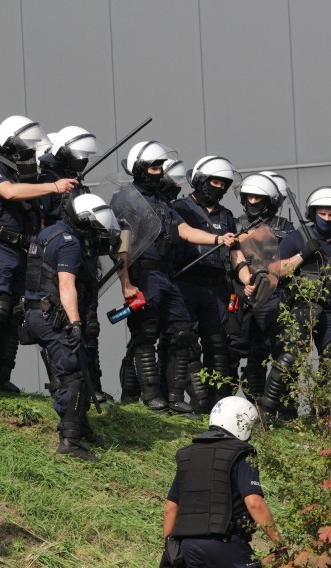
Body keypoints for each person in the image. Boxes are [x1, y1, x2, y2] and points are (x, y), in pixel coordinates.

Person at [116, 141, 237, 415]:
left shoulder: (161, 201)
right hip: (142, 272)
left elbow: (184, 230)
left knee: (182, 333)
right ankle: (149, 396)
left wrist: (217, 239)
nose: (159, 172)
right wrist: (126, 282)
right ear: (139, 168)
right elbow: (121, 243)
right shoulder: (127, 199)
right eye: (153, 167)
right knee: (145, 333)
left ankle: (174, 398)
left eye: (161, 167)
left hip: (166, 274)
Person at [0, 115, 76, 394]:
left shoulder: (24, 175)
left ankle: (0, 379)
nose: (31, 154)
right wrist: (54, 186)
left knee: (13, 314)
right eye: (26, 148)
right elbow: (7, 192)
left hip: (22, 250)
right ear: (11, 144)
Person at [21, 194, 120, 462]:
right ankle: (70, 441)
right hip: (55, 315)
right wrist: (75, 323)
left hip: (36, 311)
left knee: (78, 367)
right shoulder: (69, 243)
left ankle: (81, 428)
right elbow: (66, 286)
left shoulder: (50, 232)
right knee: (74, 374)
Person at [258, 186, 331, 435]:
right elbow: (276, 270)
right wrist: (303, 254)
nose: (327, 218)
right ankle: (266, 416)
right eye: (322, 214)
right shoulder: (296, 238)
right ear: (313, 213)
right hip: (302, 307)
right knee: (288, 359)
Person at [35, 126, 114, 404]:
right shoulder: (45, 180)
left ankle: (94, 387)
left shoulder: (77, 182)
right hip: (58, 260)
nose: (83, 160)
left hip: (84, 257)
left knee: (89, 325)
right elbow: (41, 220)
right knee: (60, 324)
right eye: (79, 154)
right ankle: (63, 384)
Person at [163, 395, 282, 568]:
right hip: (224, 544)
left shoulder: (187, 455)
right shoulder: (242, 452)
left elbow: (171, 508)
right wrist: (280, 544)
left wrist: (168, 548)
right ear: (242, 423)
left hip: (187, 547)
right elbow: (254, 503)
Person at [172, 155, 250, 411]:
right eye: (215, 181)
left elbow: (236, 252)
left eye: (224, 184)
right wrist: (216, 239)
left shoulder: (226, 215)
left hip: (217, 285)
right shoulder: (179, 208)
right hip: (186, 282)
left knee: (219, 344)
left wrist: (248, 279)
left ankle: (221, 404)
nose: (220, 188)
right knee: (186, 343)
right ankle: (196, 402)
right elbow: (184, 234)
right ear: (201, 181)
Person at [230, 172, 294, 403]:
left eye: (259, 198)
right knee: (234, 351)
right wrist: (245, 280)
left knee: (277, 350)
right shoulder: (235, 225)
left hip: (276, 297)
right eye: (250, 197)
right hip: (242, 296)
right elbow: (229, 257)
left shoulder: (286, 227)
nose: (253, 202)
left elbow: (290, 259)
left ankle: (278, 407)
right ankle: (239, 403)